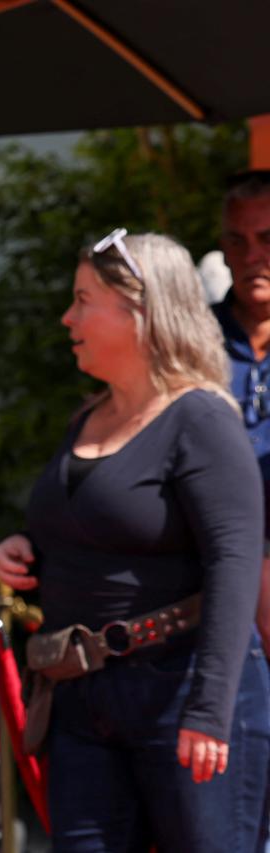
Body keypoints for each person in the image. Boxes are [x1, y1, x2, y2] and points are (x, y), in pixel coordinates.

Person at [0, 230, 270, 852]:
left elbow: (234, 562)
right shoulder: (87, 417)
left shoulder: (202, 418)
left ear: (142, 309)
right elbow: (92, 522)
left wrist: (208, 712)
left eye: (84, 298)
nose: (68, 316)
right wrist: (22, 545)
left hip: (183, 692)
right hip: (83, 698)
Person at [214, 170, 270, 655]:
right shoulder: (190, 343)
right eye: (238, 240)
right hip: (211, 598)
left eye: (267, 238)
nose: (253, 256)